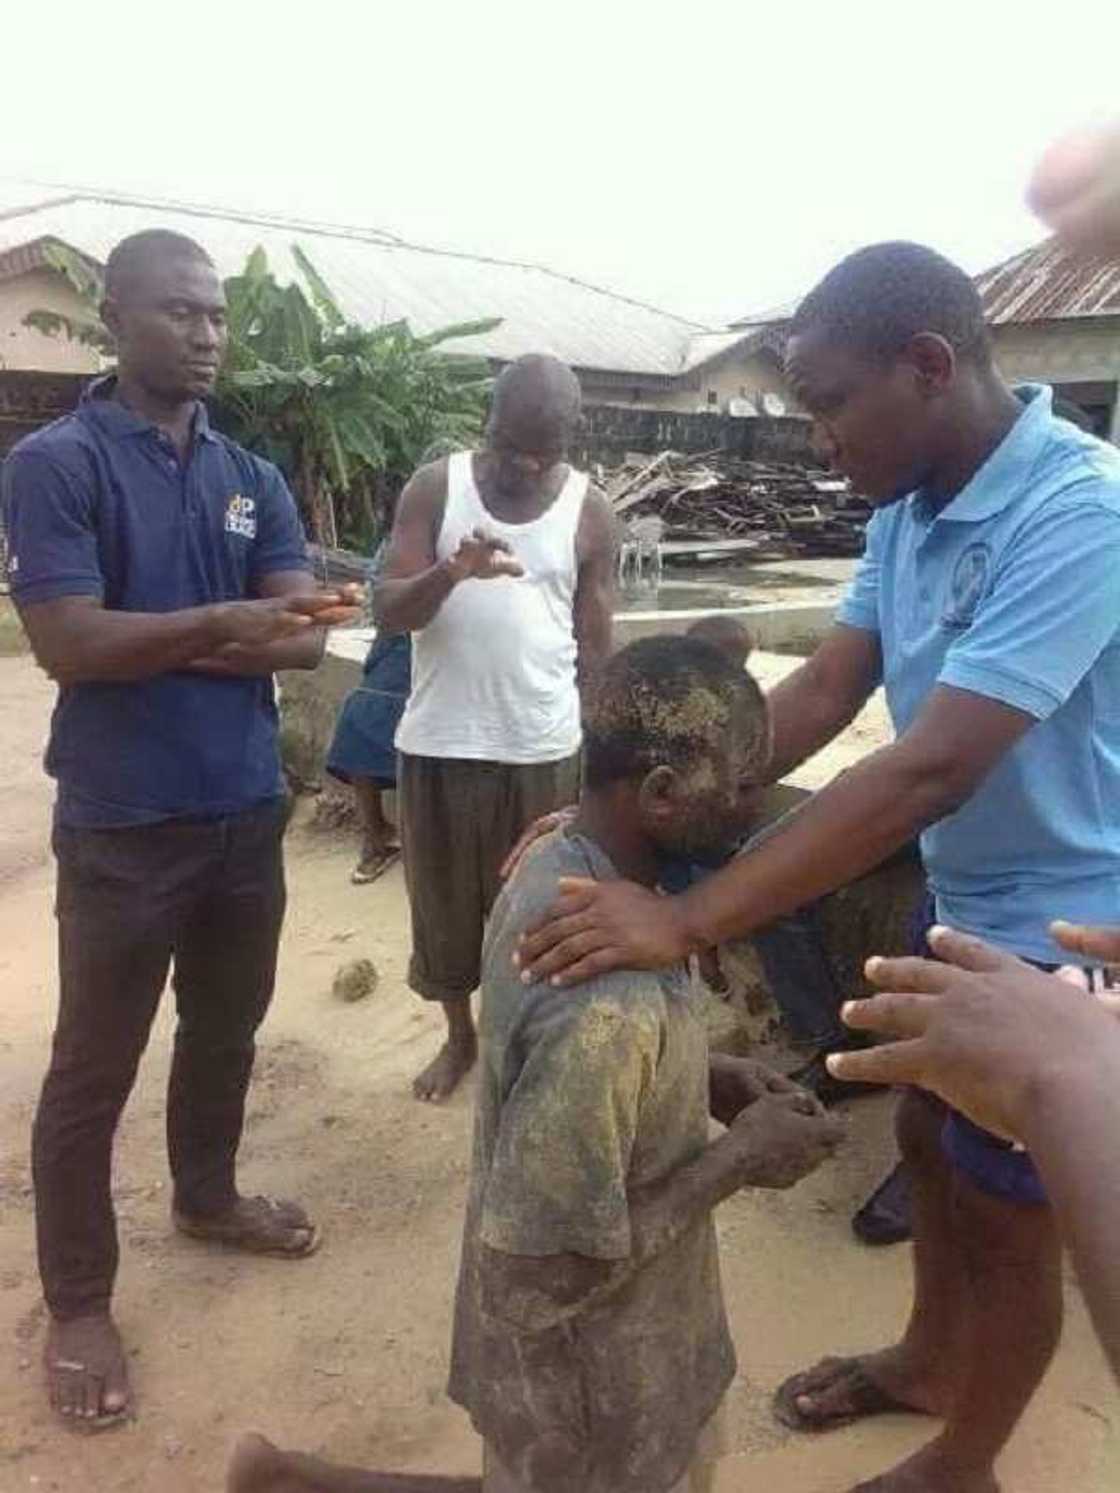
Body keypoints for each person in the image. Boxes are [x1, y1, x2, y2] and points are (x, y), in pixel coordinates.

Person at [513, 242, 1120, 1493]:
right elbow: (822, 688)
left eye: (828, 401)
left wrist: (681, 915)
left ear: (929, 366)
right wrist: (633, 812)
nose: (814, 436)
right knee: (926, 1134)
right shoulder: (908, 508)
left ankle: (967, 1459)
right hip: (972, 903)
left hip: (1074, 934)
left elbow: (925, 769)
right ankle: (928, 1359)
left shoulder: (1079, 512)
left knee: (1010, 1216)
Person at [226, 636, 843, 1493]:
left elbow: (560, 1082)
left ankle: (289, 1479)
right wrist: (740, 1158)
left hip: (605, 1359)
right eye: (741, 786)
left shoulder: (566, 867)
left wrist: (702, 1076)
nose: (755, 805)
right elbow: (538, 1279)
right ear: (662, 795)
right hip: (590, 1383)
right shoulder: (603, 1005)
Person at [1, 229, 360, 1430]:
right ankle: (81, 1299)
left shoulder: (246, 468)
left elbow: (306, 631)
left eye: (216, 314)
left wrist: (173, 632)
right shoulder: (57, 464)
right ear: (115, 317)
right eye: (179, 312)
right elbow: (66, 644)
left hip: (242, 810)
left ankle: (207, 1197)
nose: (207, 332)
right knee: (91, 1069)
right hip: (122, 822)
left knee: (226, 1027)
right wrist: (221, 623)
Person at [373, 354, 616, 1102]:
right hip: (441, 742)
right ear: (489, 420)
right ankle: (460, 1037)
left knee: (540, 917)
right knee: (445, 915)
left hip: (542, 747)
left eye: (546, 449)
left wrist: (603, 748)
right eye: (513, 446)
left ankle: (526, 1045)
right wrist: (452, 572)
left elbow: (596, 642)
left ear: (572, 435)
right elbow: (387, 611)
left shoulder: (590, 508)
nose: (528, 464)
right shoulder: (436, 487)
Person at [827, 921, 1120, 1385]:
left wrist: (1072, 1084)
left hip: (1055, 954)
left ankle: (968, 1451)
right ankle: (931, 1370)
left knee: (1005, 1233)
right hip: (991, 927)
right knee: (931, 1136)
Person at [665, 617, 872, 1103]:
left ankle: (827, 1037)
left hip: (726, 834)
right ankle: (716, 972)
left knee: (773, 894)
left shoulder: (740, 710)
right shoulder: (686, 708)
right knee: (714, 864)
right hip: (704, 838)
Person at [326, 518, 411, 885]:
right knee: (356, 723)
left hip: (454, 653)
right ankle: (377, 836)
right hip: (398, 643)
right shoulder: (400, 540)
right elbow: (381, 598)